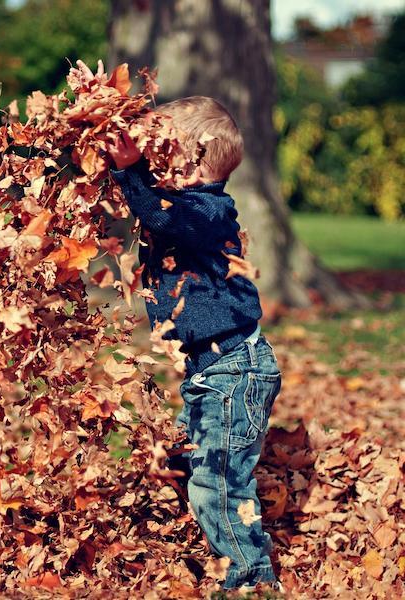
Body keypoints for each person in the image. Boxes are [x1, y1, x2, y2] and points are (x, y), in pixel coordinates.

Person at [107, 96, 282, 591]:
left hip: (234, 372)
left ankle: (250, 576)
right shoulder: (185, 207)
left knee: (220, 483)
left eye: (160, 156)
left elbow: (162, 217)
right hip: (211, 373)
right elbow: (152, 211)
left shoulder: (208, 211)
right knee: (185, 457)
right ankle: (195, 539)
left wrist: (129, 173)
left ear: (190, 161)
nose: (151, 165)